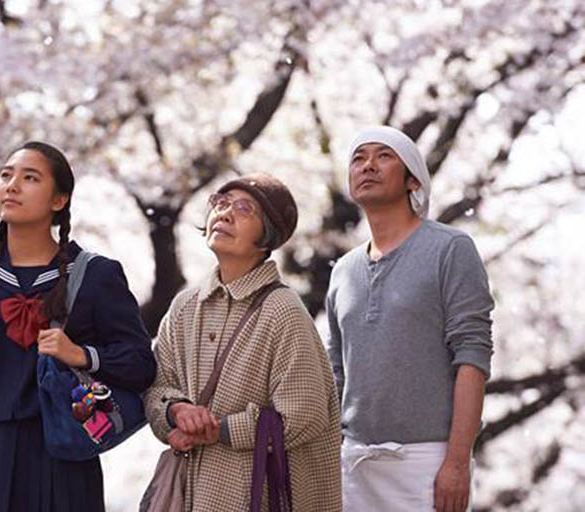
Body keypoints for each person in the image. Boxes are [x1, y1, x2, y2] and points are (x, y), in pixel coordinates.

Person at [0, 141, 157, 512]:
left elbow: (141, 364)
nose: (12, 185)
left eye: (29, 177)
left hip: (65, 456)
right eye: (5, 175)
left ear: (59, 200)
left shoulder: (96, 276)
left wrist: (81, 355)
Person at [144, 174, 342, 511]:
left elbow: (304, 415)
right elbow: (156, 385)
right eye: (219, 204)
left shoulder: (283, 309)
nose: (224, 214)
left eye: (244, 208)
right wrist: (176, 411)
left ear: (268, 234)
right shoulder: (184, 306)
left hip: (254, 495)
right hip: (190, 493)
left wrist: (220, 429)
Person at [326, 126, 494, 512]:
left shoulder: (450, 249)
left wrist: (456, 462)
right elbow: (336, 372)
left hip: (427, 464)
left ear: (413, 180)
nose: (368, 165)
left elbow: (472, 357)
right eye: (358, 158)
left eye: (384, 156)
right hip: (353, 467)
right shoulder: (344, 270)